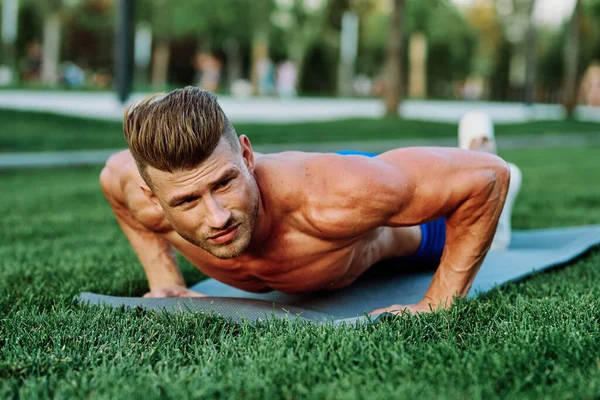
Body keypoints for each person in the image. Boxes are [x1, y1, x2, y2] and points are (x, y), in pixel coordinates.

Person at [100, 87, 511, 315]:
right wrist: (164, 281)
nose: (217, 216)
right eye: (188, 201)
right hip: (330, 195)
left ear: (246, 156)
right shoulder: (138, 191)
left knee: (486, 222)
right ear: (153, 197)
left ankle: (477, 142)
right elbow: (112, 180)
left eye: (224, 183)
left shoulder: (337, 198)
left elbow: (488, 178)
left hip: (394, 232)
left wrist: (437, 303)